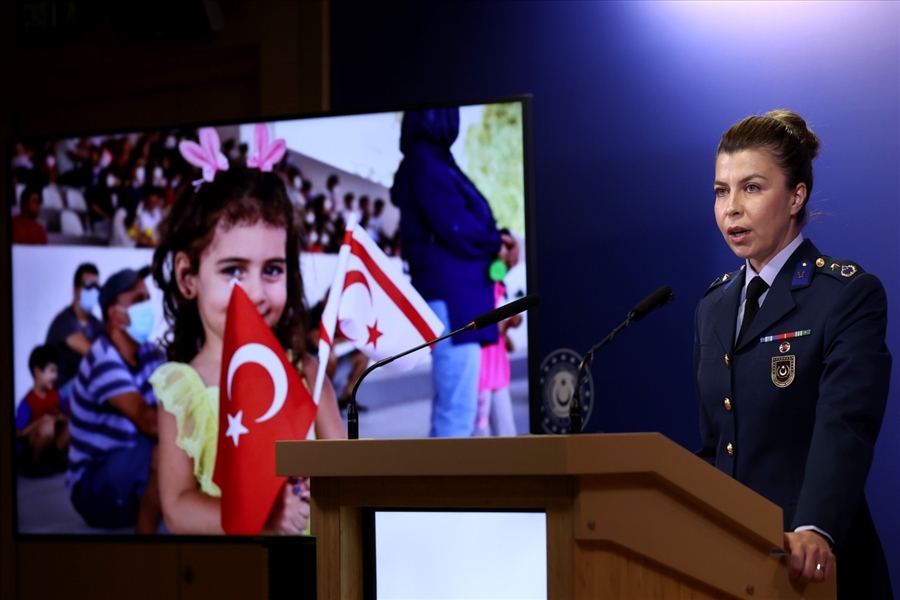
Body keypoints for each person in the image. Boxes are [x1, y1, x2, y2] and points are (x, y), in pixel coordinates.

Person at [694, 109, 892, 598]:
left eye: (752, 188)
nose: (731, 208)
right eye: (722, 190)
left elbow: (844, 425)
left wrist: (815, 527)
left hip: (812, 566)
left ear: (795, 197)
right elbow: (718, 445)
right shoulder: (713, 307)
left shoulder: (845, 294)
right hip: (732, 565)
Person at [148, 132, 345, 535]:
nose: (256, 292)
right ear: (188, 277)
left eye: (272, 269)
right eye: (234, 270)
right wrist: (264, 516)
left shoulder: (308, 374)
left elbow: (346, 475)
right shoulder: (183, 389)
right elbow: (178, 507)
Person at [391, 107, 519, 437]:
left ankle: (444, 487)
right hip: (453, 300)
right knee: (456, 414)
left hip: (459, 298)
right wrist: (497, 242)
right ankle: (445, 489)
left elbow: (463, 222)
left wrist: (497, 238)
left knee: (456, 409)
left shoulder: (435, 159)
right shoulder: (424, 161)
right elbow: (456, 225)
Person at [67, 267, 166, 533]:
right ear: (114, 314)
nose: (147, 307)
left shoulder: (149, 353)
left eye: (147, 298)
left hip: (127, 465)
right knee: (164, 452)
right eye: (137, 301)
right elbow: (151, 422)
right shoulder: (102, 359)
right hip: (92, 483)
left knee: (167, 454)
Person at [45, 263, 103, 403]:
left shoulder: (97, 324)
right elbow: (93, 353)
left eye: (96, 287)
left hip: (81, 388)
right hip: (59, 393)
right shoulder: (63, 322)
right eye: (88, 285)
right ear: (75, 289)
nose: (93, 291)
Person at [473, 282, 522, 437]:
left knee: (507, 431)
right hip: (480, 376)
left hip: (498, 373)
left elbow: (501, 328)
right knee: (481, 432)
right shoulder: (476, 289)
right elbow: (488, 326)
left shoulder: (499, 286)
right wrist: (504, 324)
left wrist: (509, 324)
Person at [15, 345, 69, 476]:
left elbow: (63, 417)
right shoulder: (28, 402)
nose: (55, 376)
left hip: (53, 442)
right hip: (33, 446)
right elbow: (18, 433)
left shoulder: (56, 395)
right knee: (47, 426)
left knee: (72, 422)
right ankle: (34, 464)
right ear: (37, 372)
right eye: (52, 371)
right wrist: (41, 422)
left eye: (56, 371)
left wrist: (61, 418)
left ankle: (58, 460)